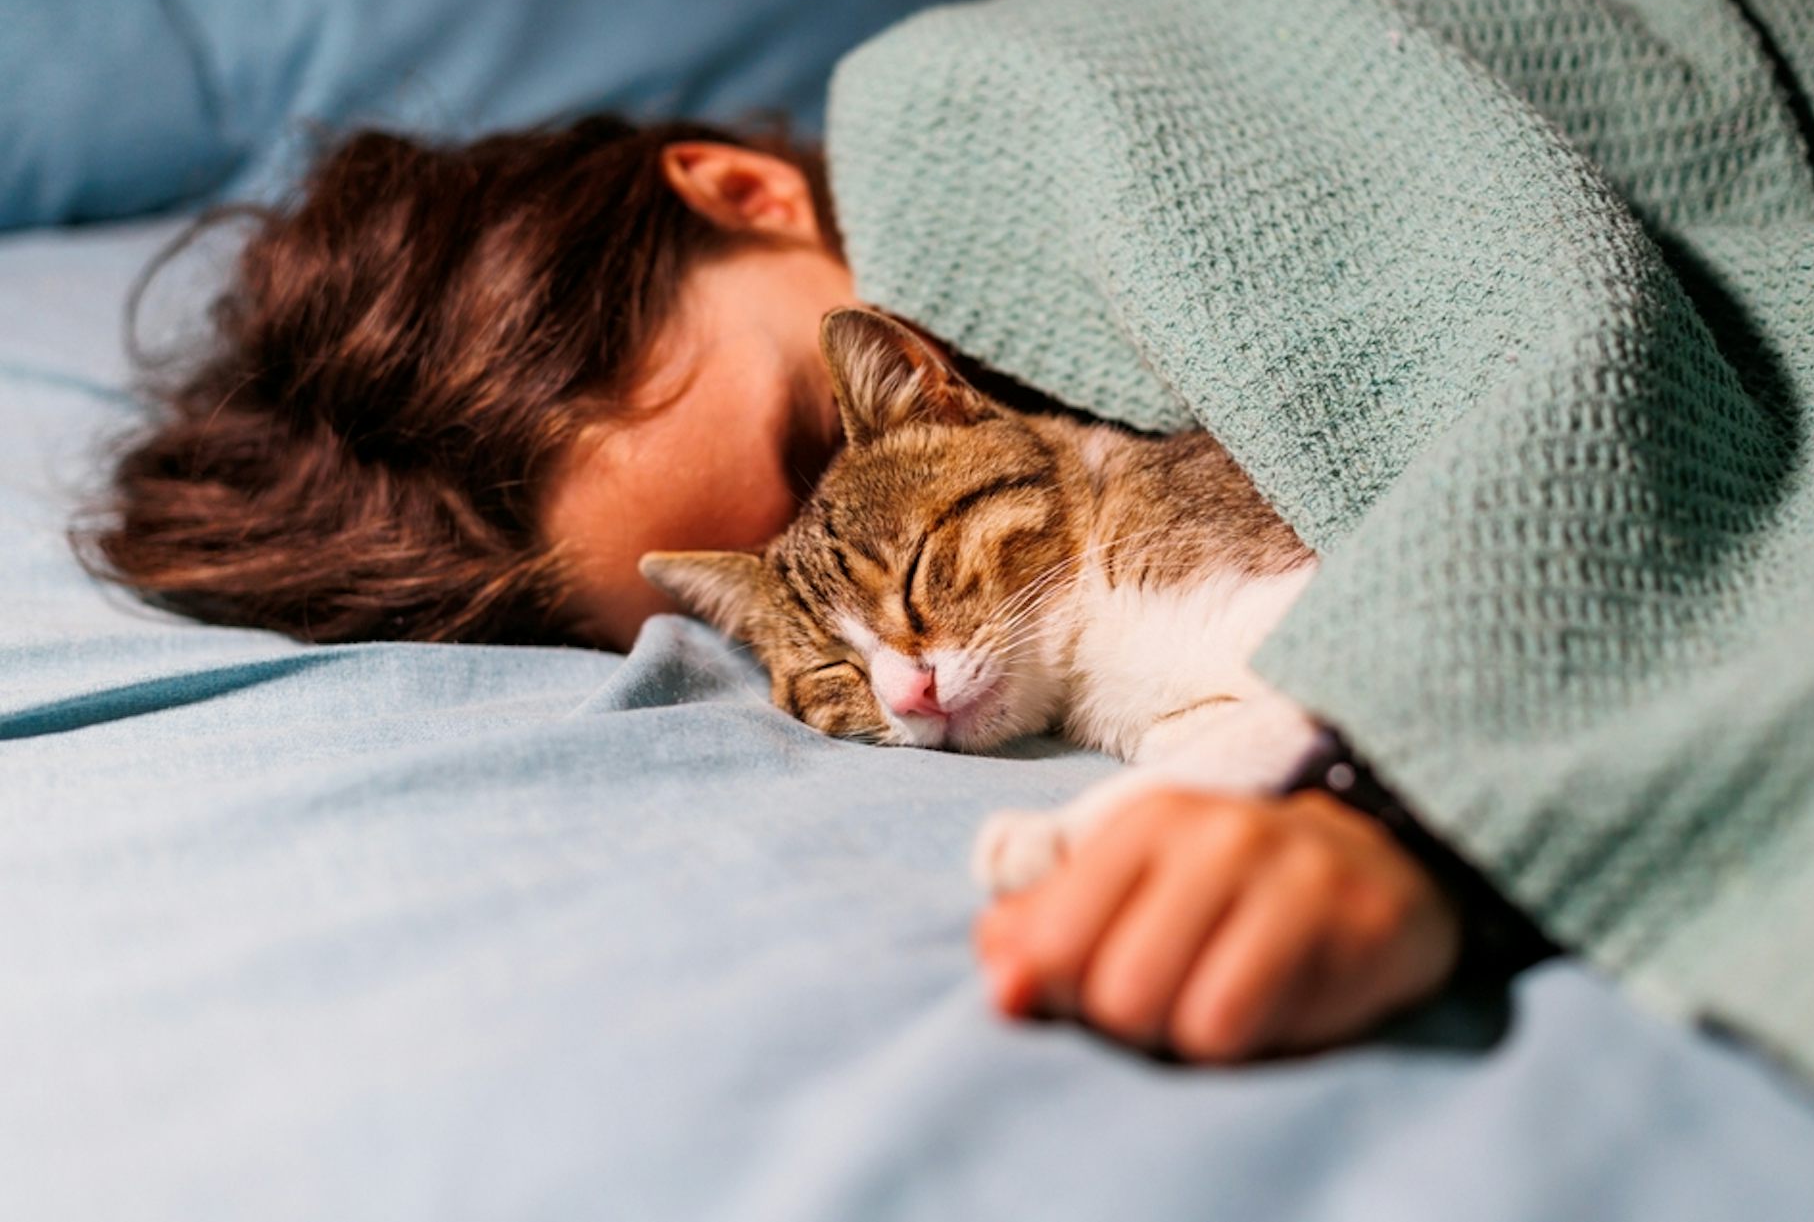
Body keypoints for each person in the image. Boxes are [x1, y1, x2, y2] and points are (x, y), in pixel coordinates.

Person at [78, 115, 1527, 1065]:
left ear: (749, 190)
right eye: (785, 589)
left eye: (813, 442)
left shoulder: (1039, 121)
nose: (833, 525)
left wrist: (1388, 810)